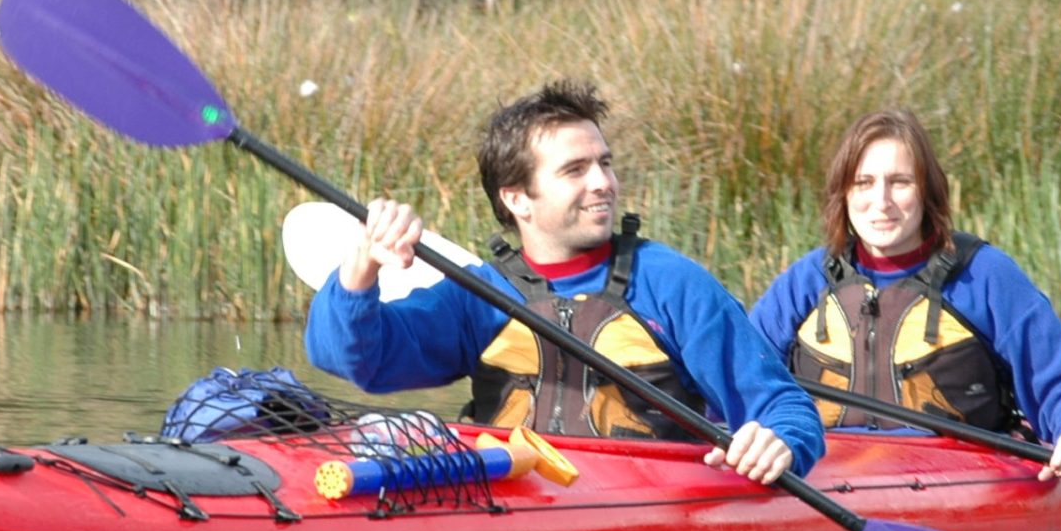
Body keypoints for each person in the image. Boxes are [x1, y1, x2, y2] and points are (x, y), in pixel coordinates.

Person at [307, 79, 823, 485]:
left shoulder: (671, 284)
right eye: (575, 170)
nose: (603, 183)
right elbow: (356, 362)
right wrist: (361, 268)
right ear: (517, 199)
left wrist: (781, 442)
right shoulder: (479, 297)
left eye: (604, 163)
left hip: (648, 513)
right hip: (514, 500)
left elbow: (782, 405)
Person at [749, 106, 1061, 482]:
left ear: (928, 191)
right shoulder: (805, 282)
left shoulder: (985, 276)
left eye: (900, 182)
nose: (881, 201)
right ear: (843, 193)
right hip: (824, 472)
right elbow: (737, 382)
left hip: (961, 478)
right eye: (864, 183)